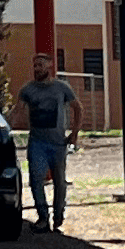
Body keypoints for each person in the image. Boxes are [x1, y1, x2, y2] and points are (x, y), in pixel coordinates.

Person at [16, 51, 80, 230]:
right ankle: (42, 216)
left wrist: (74, 133)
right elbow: (17, 110)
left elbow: (78, 108)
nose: (37, 69)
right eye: (35, 65)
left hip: (58, 142)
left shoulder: (61, 88)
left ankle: (58, 214)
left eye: (41, 65)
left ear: (50, 65)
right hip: (37, 142)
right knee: (36, 179)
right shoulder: (28, 89)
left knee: (60, 181)